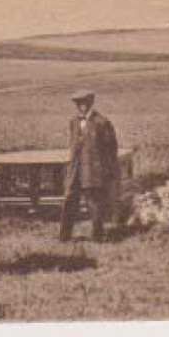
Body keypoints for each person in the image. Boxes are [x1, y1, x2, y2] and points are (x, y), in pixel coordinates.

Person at [59, 89, 120, 242]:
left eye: (84, 102)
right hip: (75, 170)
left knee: (94, 203)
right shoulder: (73, 122)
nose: (81, 106)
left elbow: (111, 148)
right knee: (69, 200)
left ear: (90, 102)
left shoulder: (102, 122)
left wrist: (107, 170)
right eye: (78, 103)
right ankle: (64, 237)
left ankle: (98, 236)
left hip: (93, 170)